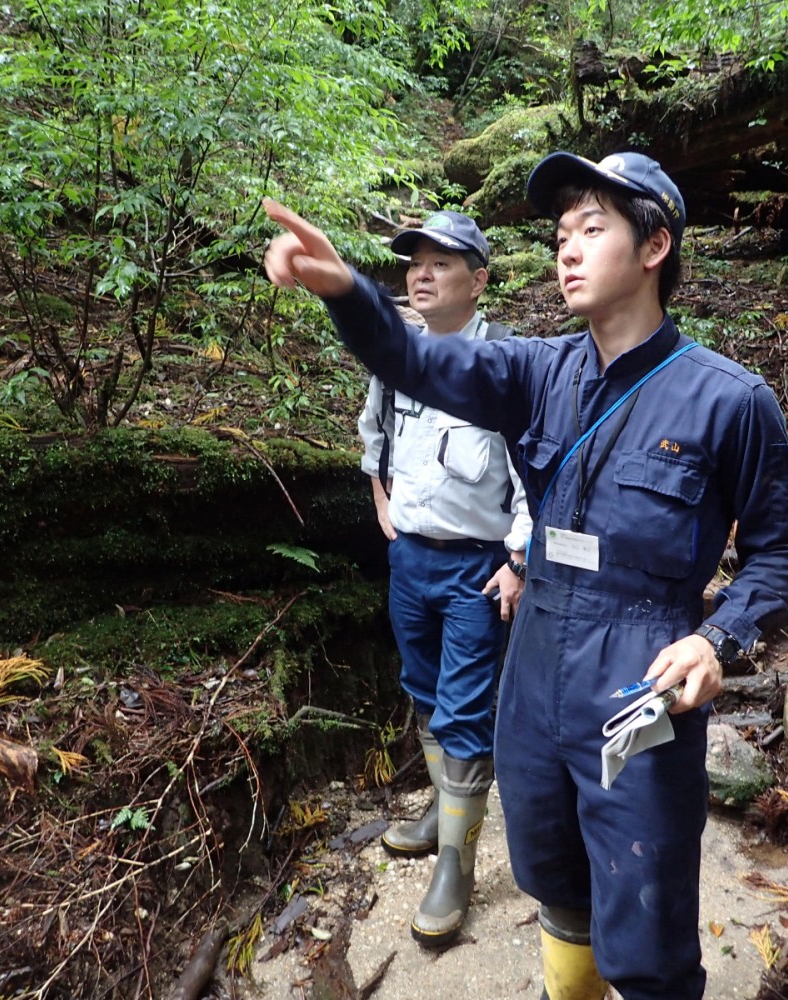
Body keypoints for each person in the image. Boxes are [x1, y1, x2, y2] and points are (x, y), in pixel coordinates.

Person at [262, 150, 788, 1000]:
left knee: (646, 913)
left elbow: (781, 555)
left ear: (656, 244)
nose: (567, 249)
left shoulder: (729, 401)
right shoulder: (536, 373)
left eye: (592, 229)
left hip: (640, 675)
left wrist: (717, 641)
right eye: (561, 234)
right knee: (553, 875)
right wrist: (346, 290)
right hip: (535, 663)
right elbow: (419, 363)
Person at [354, 210, 532, 947]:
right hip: (410, 560)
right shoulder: (395, 359)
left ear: (479, 280)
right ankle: (440, 811)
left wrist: (519, 560)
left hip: (476, 568)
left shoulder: (507, 368)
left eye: (440, 263)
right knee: (423, 690)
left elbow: (534, 477)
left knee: (462, 706)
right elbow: (374, 437)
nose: (419, 275)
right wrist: (383, 508)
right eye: (412, 263)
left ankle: (455, 864)